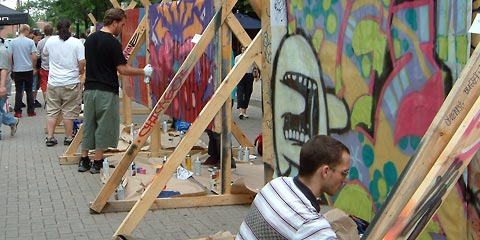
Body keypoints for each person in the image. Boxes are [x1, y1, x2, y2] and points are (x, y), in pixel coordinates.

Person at [79, 8, 153, 174]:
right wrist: (144, 71)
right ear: (114, 23)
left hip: (89, 90)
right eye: (122, 24)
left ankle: (83, 160)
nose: (122, 28)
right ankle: (97, 161)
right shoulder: (112, 42)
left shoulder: (90, 40)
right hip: (106, 90)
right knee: (103, 126)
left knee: (89, 123)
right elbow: (123, 69)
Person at [236, 135, 351, 239]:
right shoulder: (311, 226)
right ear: (325, 171)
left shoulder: (275, 185)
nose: (345, 179)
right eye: (344, 172)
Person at [43, 19, 85, 147]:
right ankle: (68, 138)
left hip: (54, 82)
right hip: (71, 81)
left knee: (52, 111)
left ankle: (50, 137)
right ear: (70, 28)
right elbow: (82, 62)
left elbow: (44, 54)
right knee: (69, 111)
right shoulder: (77, 43)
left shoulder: (50, 41)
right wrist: (80, 71)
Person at [8, 24, 38, 118]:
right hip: (28, 69)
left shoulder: (12, 42)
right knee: (29, 90)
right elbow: (34, 56)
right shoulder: (30, 42)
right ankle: (30, 111)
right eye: (28, 31)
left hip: (17, 69)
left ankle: (18, 112)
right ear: (25, 30)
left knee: (18, 90)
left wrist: (12, 66)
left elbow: (10, 56)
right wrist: (33, 67)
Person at [0, 37, 19, 140]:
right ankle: (12, 121)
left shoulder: (1, 50)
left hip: (2, 84)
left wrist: (2, 86)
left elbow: (3, 69)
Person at [235, 46, 258, 119]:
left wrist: (257, 75)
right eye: (242, 50)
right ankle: (241, 111)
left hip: (249, 75)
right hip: (241, 75)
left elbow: (255, 67)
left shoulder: (251, 57)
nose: (243, 51)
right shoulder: (238, 58)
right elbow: (235, 67)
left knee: (248, 92)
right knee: (240, 92)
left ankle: (244, 110)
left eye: (245, 50)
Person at [37, 25, 53, 108]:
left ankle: (46, 101)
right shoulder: (55, 41)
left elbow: (38, 55)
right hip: (54, 67)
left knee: (44, 84)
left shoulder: (41, 42)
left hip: (44, 66)